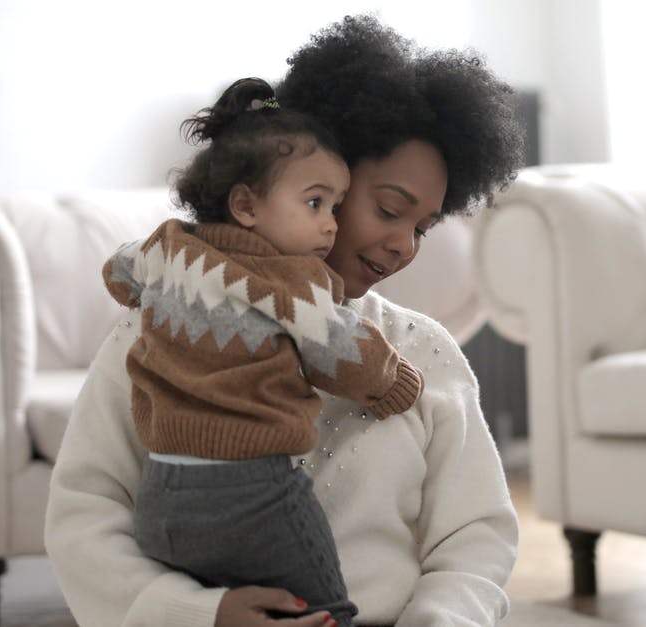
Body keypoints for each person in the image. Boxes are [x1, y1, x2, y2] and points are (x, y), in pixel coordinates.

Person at [45, 14, 525, 627]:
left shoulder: (422, 352)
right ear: (316, 180)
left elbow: (475, 538)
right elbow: (84, 512)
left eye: (423, 228)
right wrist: (200, 614)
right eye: (388, 209)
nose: (404, 245)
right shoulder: (163, 324)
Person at [104, 76, 429, 627]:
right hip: (252, 493)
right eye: (315, 202)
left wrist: (158, 289)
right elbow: (349, 358)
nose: (329, 223)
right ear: (246, 205)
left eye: (336, 206)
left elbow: (116, 271)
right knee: (327, 609)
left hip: (159, 498)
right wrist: (401, 384)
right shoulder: (293, 282)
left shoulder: (167, 247)